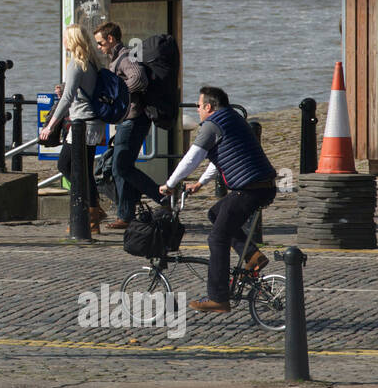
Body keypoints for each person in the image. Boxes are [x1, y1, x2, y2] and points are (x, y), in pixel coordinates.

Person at [158, 85, 275, 313]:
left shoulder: (212, 125)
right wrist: (201, 183)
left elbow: (192, 158)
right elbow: (217, 159)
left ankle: (219, 298)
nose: (198, 109)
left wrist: (170, 184)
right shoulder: (231, 118)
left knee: (217, 239)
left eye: (199, 106)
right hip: (261, 186)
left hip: (250, 189)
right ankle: (252, 255)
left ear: (209, 107)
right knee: (215, 213)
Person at [94, 22, 165, 228]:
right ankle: (132, 209)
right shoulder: (118, 58)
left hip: (135, 118)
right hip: (130, 119)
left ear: (110, 39)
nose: (99, 47)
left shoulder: (124, 58)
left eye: (100, 43)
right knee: (122, 167)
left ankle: (137, 210)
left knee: (121, 167)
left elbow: (139, 79)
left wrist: (119, 95)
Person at [39, 24, 107, 233]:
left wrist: (50, 125)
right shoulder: (92, 61)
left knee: (65, 164)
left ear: (73, 40)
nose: (63, 41)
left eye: (66, 37)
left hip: (82, 125)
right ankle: (94, 213)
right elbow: (76, 91)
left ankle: (90, 213)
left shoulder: (76, 64)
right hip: (92, 122)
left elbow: (68, 99)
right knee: (83, 169)